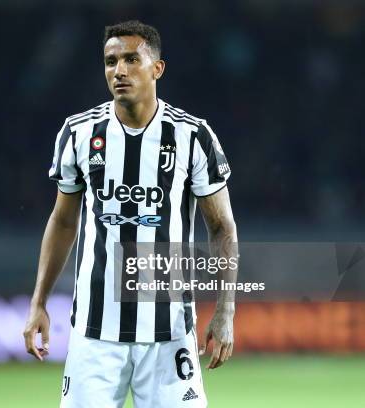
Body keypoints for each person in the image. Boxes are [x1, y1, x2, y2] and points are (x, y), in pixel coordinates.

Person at [23, 20, 238, 408]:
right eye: (110, 61)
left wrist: (225, 310)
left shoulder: (192, 136)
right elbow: (63, 221)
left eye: (130, 59)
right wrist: (39, 300)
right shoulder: (79, 133)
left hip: (169, 331)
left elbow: (222, 226)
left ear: (157, 69)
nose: (118, 70)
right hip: (95, 334)